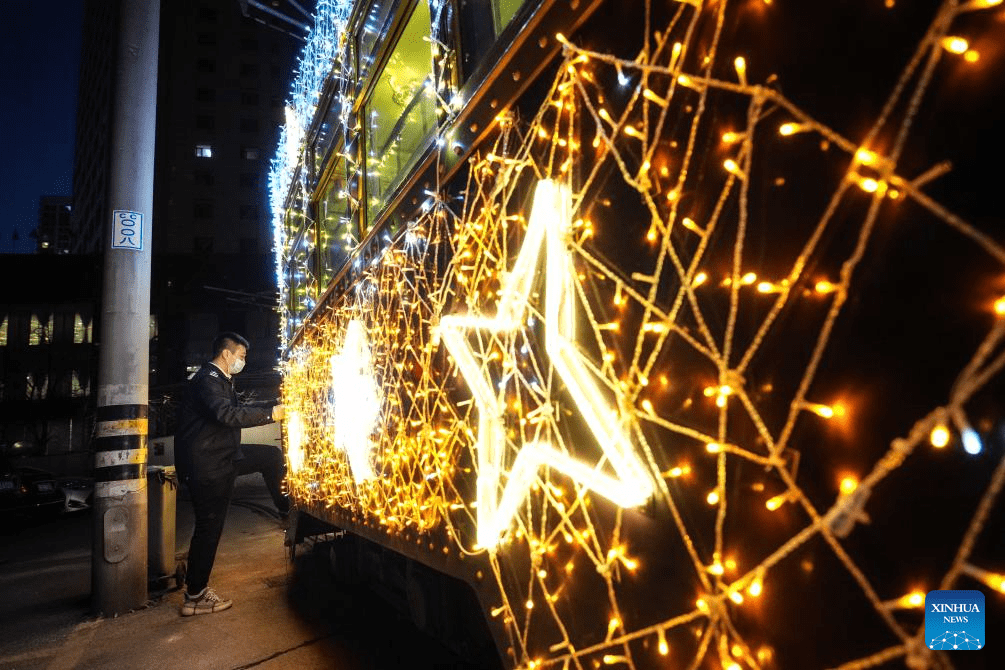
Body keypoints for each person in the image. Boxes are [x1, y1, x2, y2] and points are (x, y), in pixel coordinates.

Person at [175, 332, 285, 616]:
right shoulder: (207, 381)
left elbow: (239, 408)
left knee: (270, 456)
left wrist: (273, 406)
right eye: (242, 356)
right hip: (208, 465)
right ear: (227, 354)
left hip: (224, 455)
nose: (243, 361)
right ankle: (195, 595)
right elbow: (226, 415)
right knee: (209, 528)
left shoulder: (222, 380)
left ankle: (286, 510)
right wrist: (272, 416)